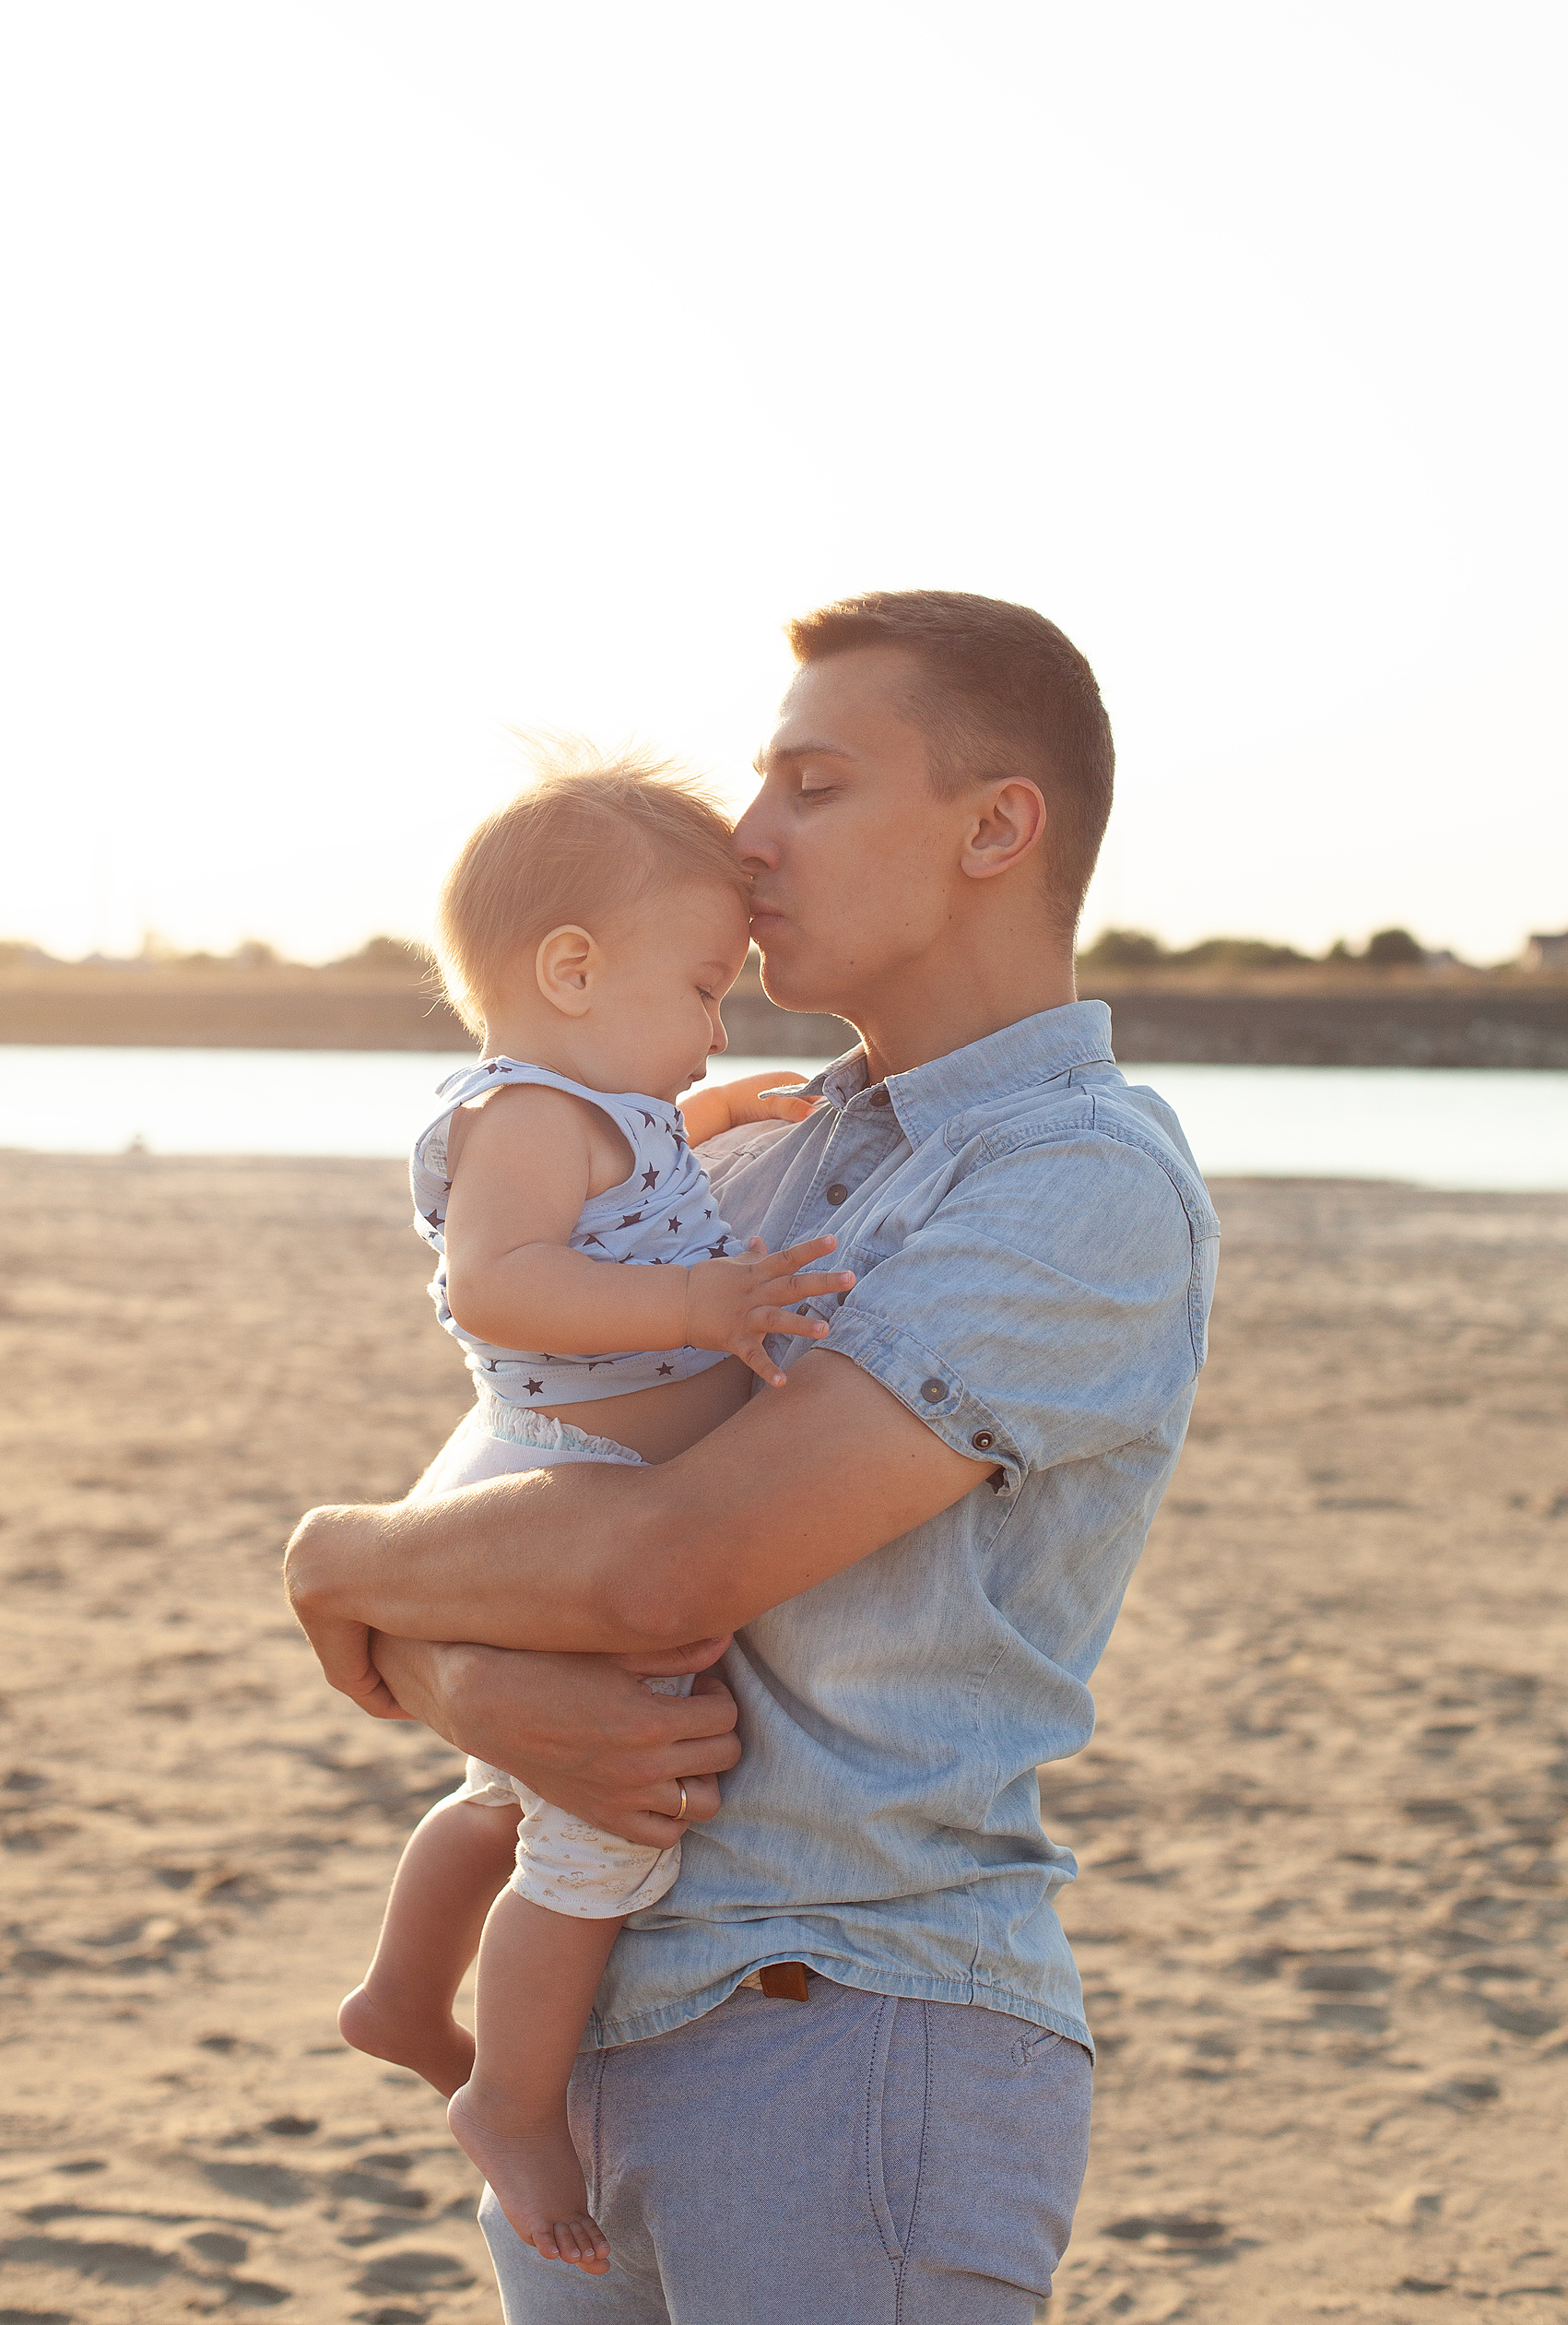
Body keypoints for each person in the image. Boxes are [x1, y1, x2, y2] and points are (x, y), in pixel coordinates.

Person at [287, 589, 1220, 2324]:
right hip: (599, 2033)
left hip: (844, 2030)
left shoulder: (1071, 1181)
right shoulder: (737, 1162)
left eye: (811, 783)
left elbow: (650, 1568)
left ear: (993, 826)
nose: (745, 833)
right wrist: (436, 1650)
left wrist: (334, 1577)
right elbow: (485, 1509)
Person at [335, 756, 851, 2273]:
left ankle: (400, 1993)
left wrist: (725, 1108)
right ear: (571, 969)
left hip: (563, 1466)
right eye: (701, 991)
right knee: (602, 1833)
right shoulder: (527, 1118)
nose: (712, 1030)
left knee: (506, 1788)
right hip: (562, 1469)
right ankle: (508, 2092)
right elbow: (491, 1282)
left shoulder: (599, 1106)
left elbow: (650, 1156)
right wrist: (701, 1295)